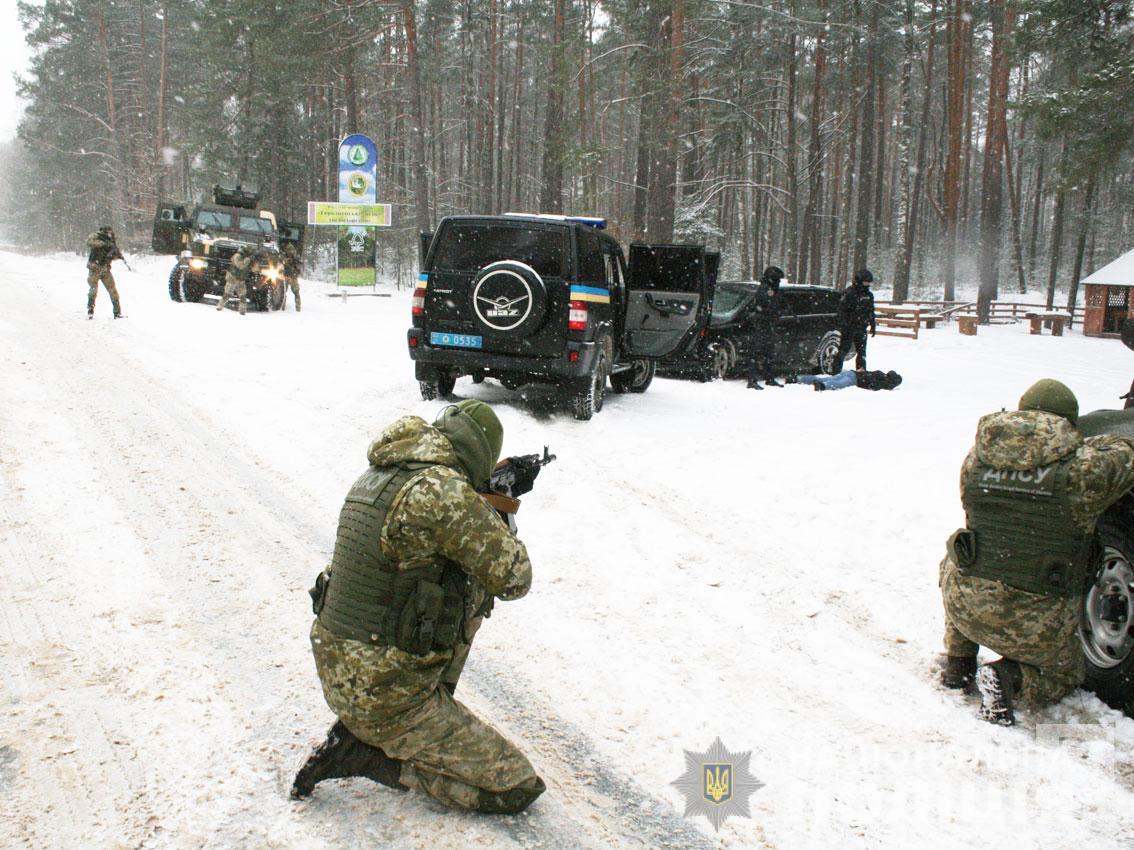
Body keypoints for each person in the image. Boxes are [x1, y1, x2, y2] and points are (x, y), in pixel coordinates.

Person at [292, 400, 545, 814]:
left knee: (443, 576)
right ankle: (378, 758)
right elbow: (515, 578)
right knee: (516, 787)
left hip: (342, 676)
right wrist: (497, 503)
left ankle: (380, 727)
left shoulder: (377, 476)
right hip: (387, 693)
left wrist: (479, 496)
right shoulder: (442, 491)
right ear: (478, 453)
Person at [939, 379, 1134, 725]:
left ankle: (958, 664)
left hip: (966, 607)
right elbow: (1127, 453)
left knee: (964, 555)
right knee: (1066, 675)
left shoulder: (976, 460)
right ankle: (1009, 679)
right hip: (1036, 622)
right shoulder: (1083, 472)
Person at [743, 265, 784, 390]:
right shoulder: (765, 289)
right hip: (761, 324)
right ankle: (752, 380)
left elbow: (776, 306)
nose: (779, 282)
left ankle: (769, 378)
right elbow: (765, 306)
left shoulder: (772, 289)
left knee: (768, 353)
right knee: (756, 353)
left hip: (768, 324)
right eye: (777, 279)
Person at [837, 269, 876, 370]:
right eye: (865, 282)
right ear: (859, 281)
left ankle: (861, 372)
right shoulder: (849, 293)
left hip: (862, 327)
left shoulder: (869, 295)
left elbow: (870, 310)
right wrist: (844, 323)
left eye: (869, 282)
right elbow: (841, 309)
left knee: (862, 352)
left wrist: (872, 324)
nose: (867, 285)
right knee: (843, 349)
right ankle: (835, 370)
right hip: (849, 327)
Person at [85, 225, 124, 319]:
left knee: (113, 291)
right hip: (95, 268)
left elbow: (112, 254)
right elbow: (89, 242)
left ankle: (117, 313)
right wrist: (104, 244)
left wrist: (115, 255)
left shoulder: (111, 241)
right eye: (108, 232)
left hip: (105, 269)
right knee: (93, 291)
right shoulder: (96, 236)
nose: (110, 234)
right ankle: (90, 311)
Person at [217, 246, 252, 314]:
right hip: (232, 278)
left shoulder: (245, 257)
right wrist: (248, 260)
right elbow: (240, 266)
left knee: (243, 296)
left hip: (241, 280)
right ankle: (219, 307)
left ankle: (242, 312)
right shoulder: (237, 256)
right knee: (227, 294)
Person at [281, 242, 302, 311]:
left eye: (291, 250)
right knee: (283, 293)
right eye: (289, 250)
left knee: (296, 292)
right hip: (285, 276)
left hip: (293, 277)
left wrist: (295, 263)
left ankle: (298, 308)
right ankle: (282, 307)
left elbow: (299, 267)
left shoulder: (296, 258)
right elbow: (281, 262)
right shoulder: (283, 256)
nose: (290, 252)